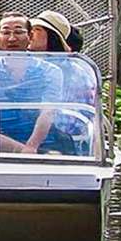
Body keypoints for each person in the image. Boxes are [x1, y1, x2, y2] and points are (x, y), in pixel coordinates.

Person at [0, 13, 62, 153]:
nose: (12, 38)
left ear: (30, 36)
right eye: (6, 32)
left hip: (40, 144)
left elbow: (48, 112)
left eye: (18, 32)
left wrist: (32, 146)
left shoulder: (49, 71)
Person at [30, 10, 96, 156]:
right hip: (37, 135)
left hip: (66, 142)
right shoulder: (33, 65)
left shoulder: (71, 71)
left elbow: (66, 123)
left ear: (52, 36)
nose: (31, 34)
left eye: (37, 30)